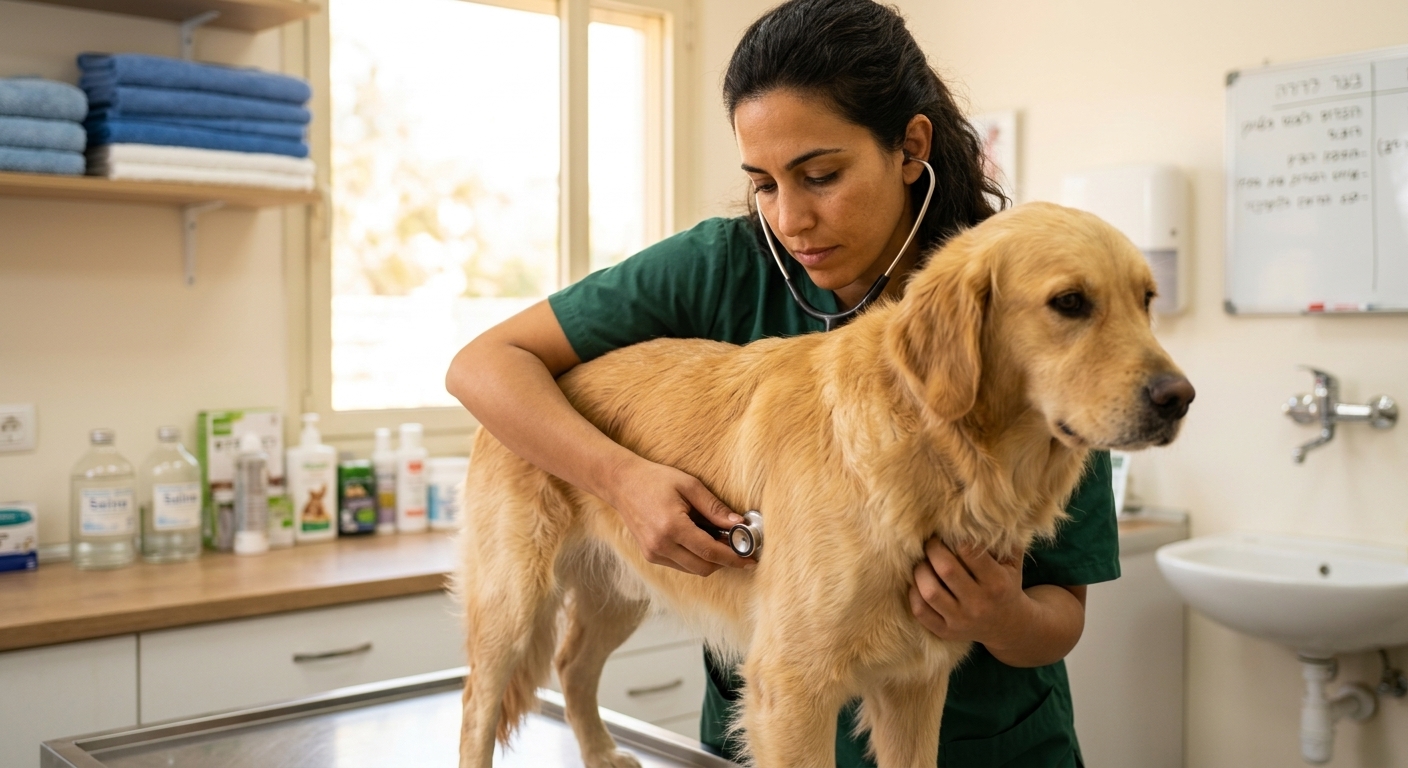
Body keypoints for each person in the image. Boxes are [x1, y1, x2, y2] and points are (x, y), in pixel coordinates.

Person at [445, 1, 1117, 765]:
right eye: (763, 183)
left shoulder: (1027, 312)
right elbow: (482, 365)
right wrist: (622, 479)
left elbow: (1062, 609)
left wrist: (998, 613)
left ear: (910, 147)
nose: (790, 219)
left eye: (821, 175)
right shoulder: (724, 265)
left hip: (991, 744)